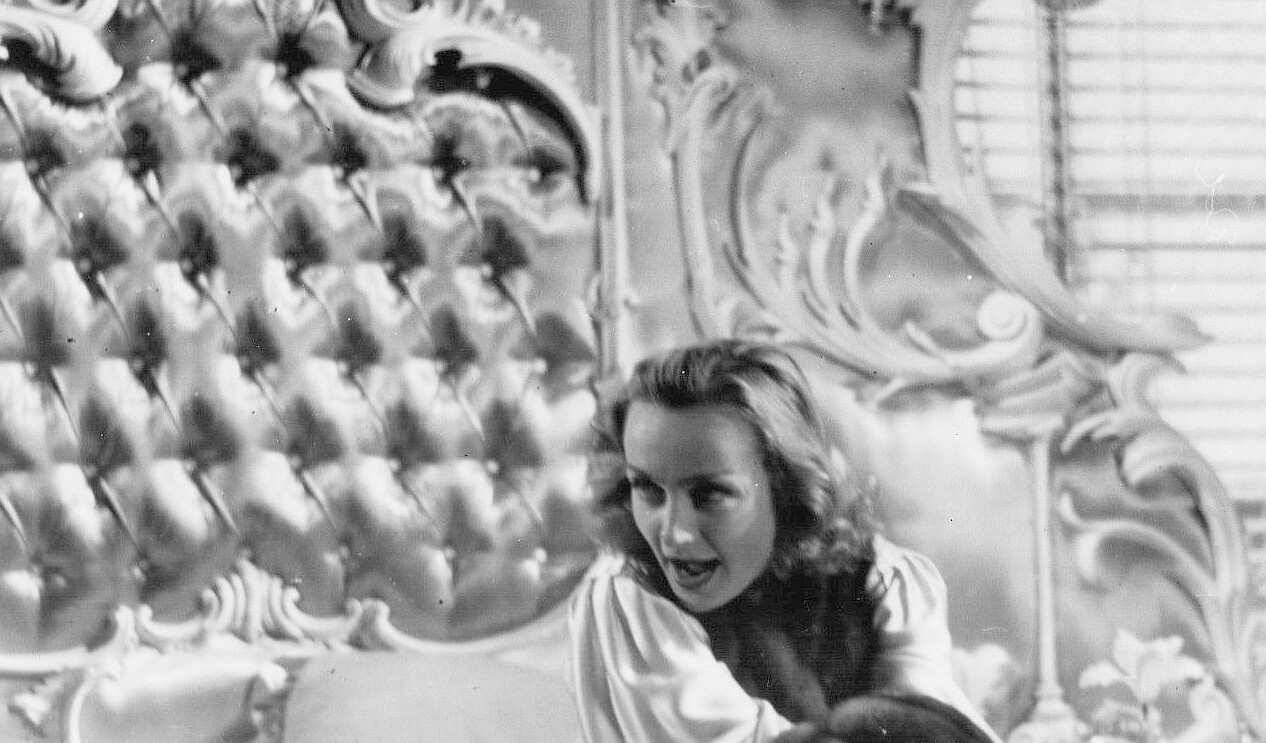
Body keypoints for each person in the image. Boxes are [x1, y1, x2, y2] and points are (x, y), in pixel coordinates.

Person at [568, 340, 1001, 743]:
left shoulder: (882, 581)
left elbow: (930, 722)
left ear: (782, 485)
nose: (673, 532)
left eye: (710, 494)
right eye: (648, 490)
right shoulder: (627, 599)